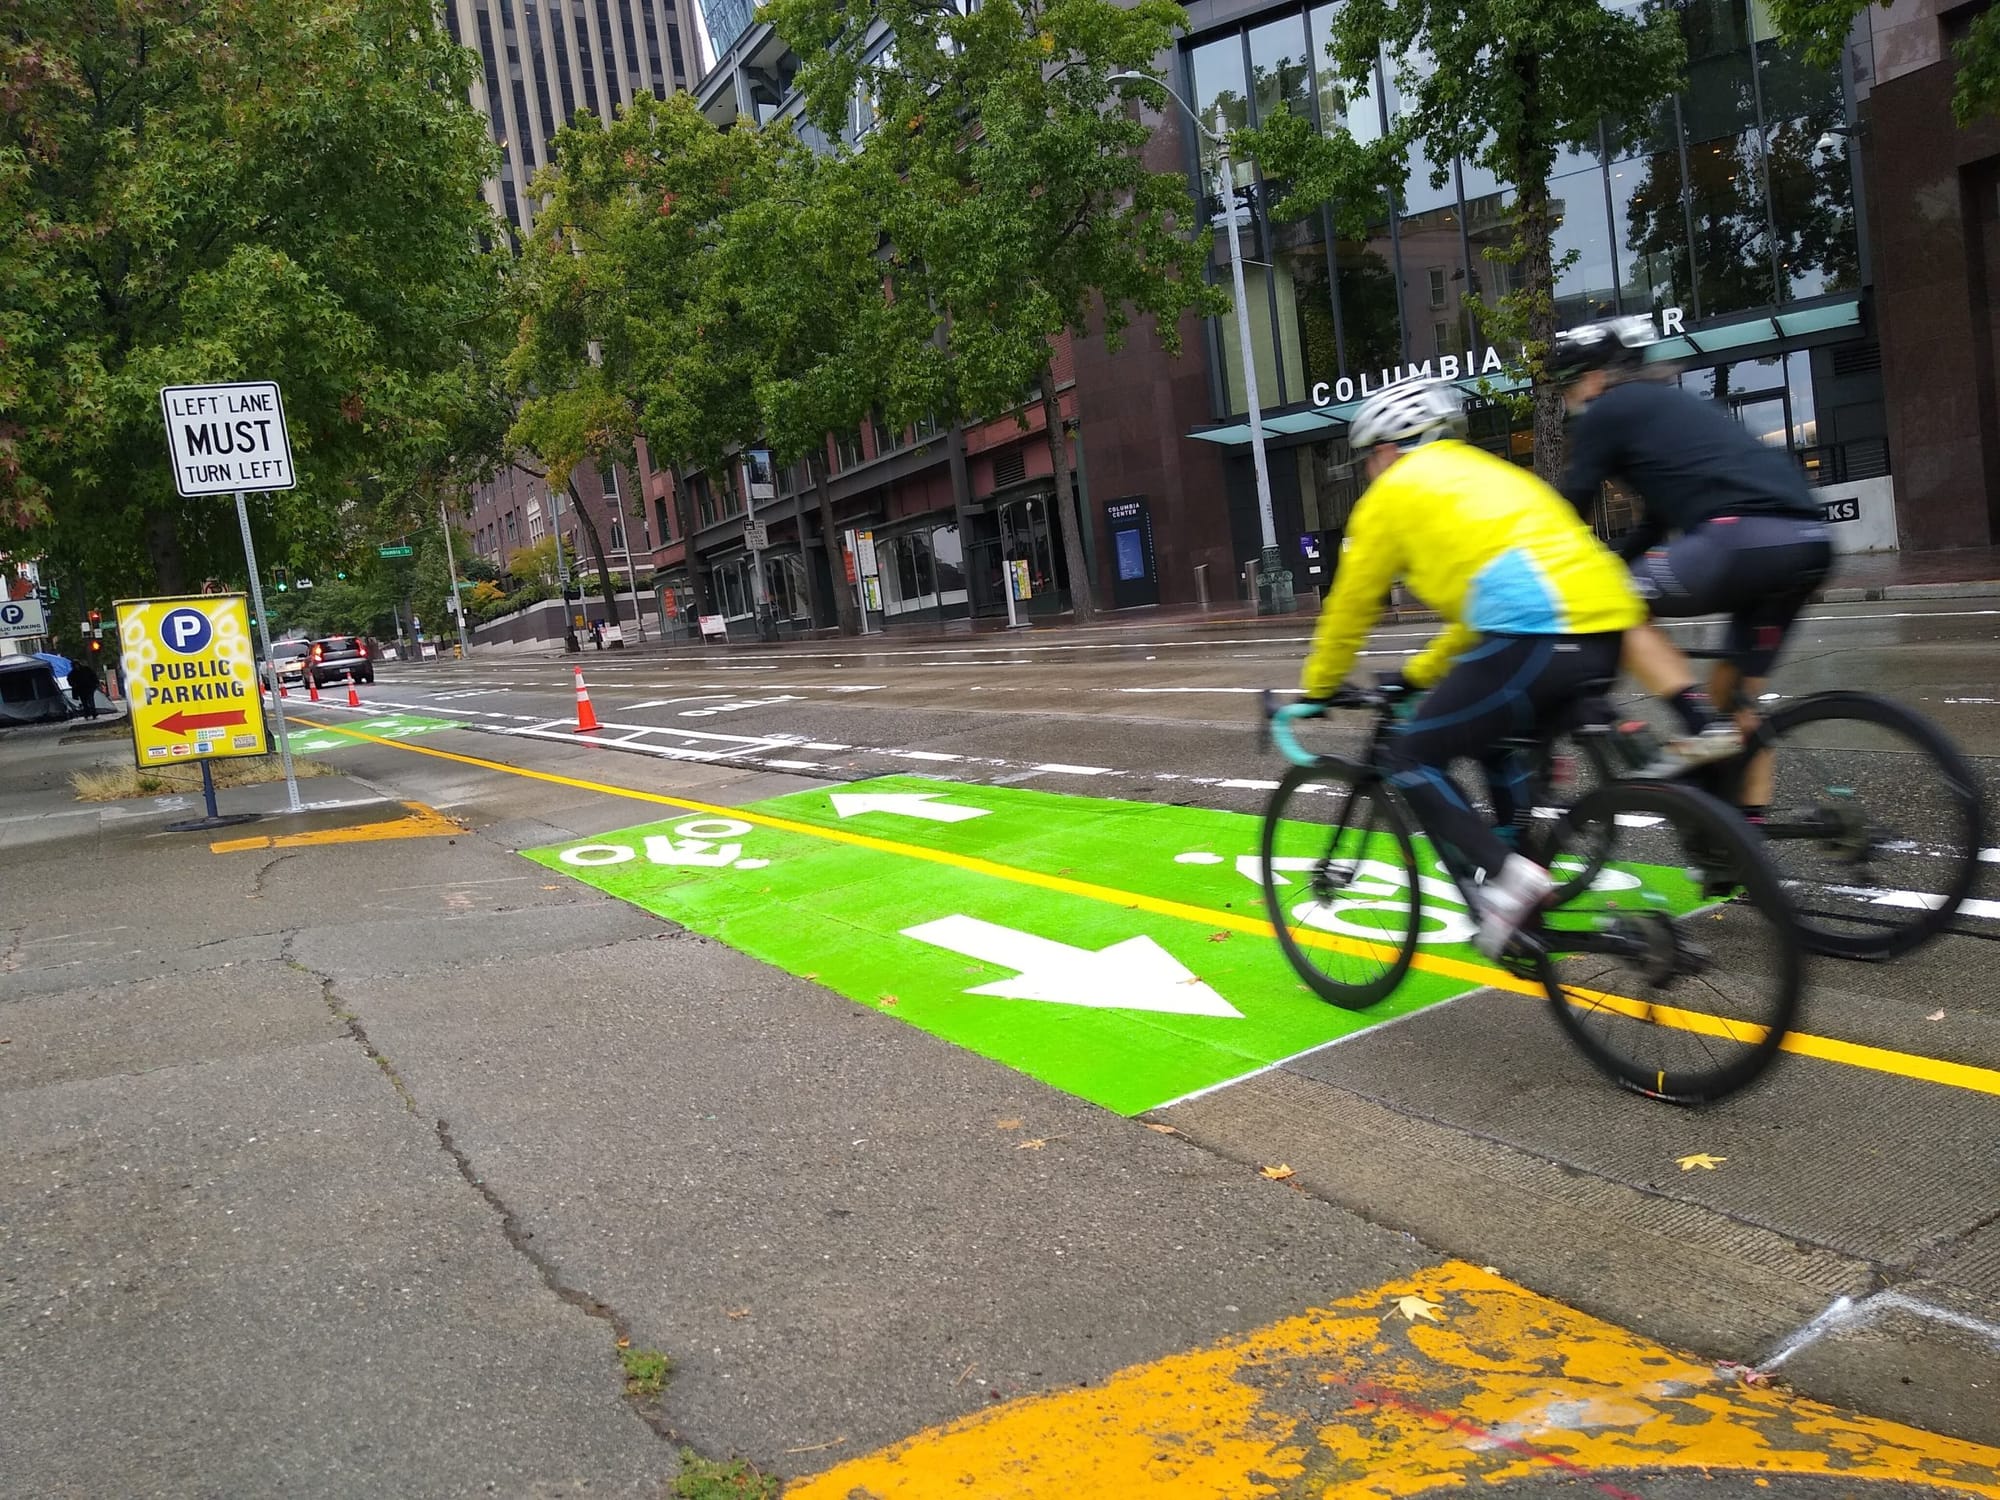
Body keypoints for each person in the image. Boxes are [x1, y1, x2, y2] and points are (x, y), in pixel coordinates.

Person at [1300, 378, 1646, 958]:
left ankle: (1508, 882)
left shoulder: (1391, 494)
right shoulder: (1497, 475)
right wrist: (1420, 674)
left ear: (1389, 448)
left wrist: (1319, 687)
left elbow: (1351, 604)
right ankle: (1523, 894)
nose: (1368, 472)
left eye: (1368, 459)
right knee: (1496, 740)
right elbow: (1476, 616)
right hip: (1608, 627)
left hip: (1534, 633)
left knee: (1410, 756)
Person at [1550, 316, 1834, 777]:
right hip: (1810, 540)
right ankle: (1742, 816)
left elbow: (1569, 508)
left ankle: (1697, 723)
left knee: (1613, 603)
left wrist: (1549, 567)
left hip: (1738, 539)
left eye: (1568, 383)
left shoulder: (1607, 410)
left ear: (1596, 377)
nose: (1566, 395)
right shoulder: (1670, 405)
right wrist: (1616, 562)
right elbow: (1656, 523)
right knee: (1736, 705)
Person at [68, 653, 101, 719]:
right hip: (81, 690)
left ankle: (93, 713)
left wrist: (95, 683)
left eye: (76, 665)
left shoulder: (86, 669)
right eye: (74, 665)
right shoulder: (73, 673)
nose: (76, 666)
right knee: (84, 702)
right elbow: (70, 681)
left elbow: (93, 676)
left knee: (90, 701)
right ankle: (87, 714)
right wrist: (74, 685)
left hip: (89, 688)